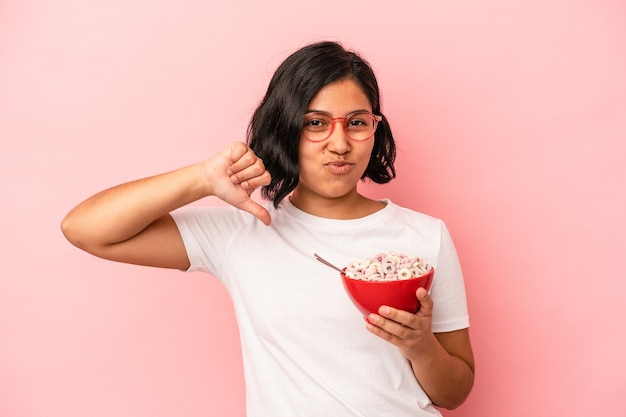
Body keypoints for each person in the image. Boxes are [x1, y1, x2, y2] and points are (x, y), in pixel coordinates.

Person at [61, 41, 474, 416]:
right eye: (315, 123)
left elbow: (454, 393)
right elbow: (85, 229)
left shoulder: (424, 235)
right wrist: (202, 178)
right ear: (286, 128)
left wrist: (420, 347)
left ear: (374, 129)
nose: (340, 143)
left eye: (356, 122)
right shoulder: (243, 232)